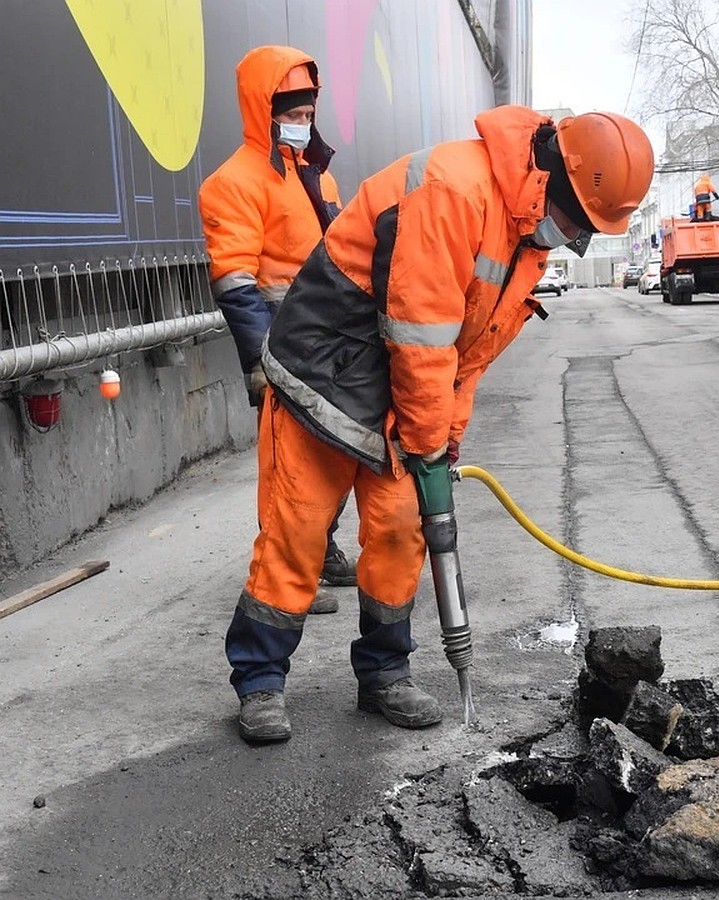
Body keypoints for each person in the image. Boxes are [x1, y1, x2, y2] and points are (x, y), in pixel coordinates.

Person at [226, 104, 655, 743]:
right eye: (576, 221)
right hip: (325, 368)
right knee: (298, 532)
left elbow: (468, 351)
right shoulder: (454, 190)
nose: (575, 237)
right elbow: (420, 335)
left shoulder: (524, 235)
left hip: (399, 383)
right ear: (551, 177)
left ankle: (384, 673)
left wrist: (447, 431)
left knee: (402, 532)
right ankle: (260, 682)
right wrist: (428, 440)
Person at [198, 45, 357, 609]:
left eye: (309, 113)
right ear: (262, 111)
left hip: (334, 343)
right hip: (282, 348)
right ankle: (290, 575)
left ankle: (320, 549)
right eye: (292, 114)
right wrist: (260, 364)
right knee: (286, 469)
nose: (302, 124)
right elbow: (236, 284)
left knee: (336, 455)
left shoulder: (315, 176)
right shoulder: (233, 183)